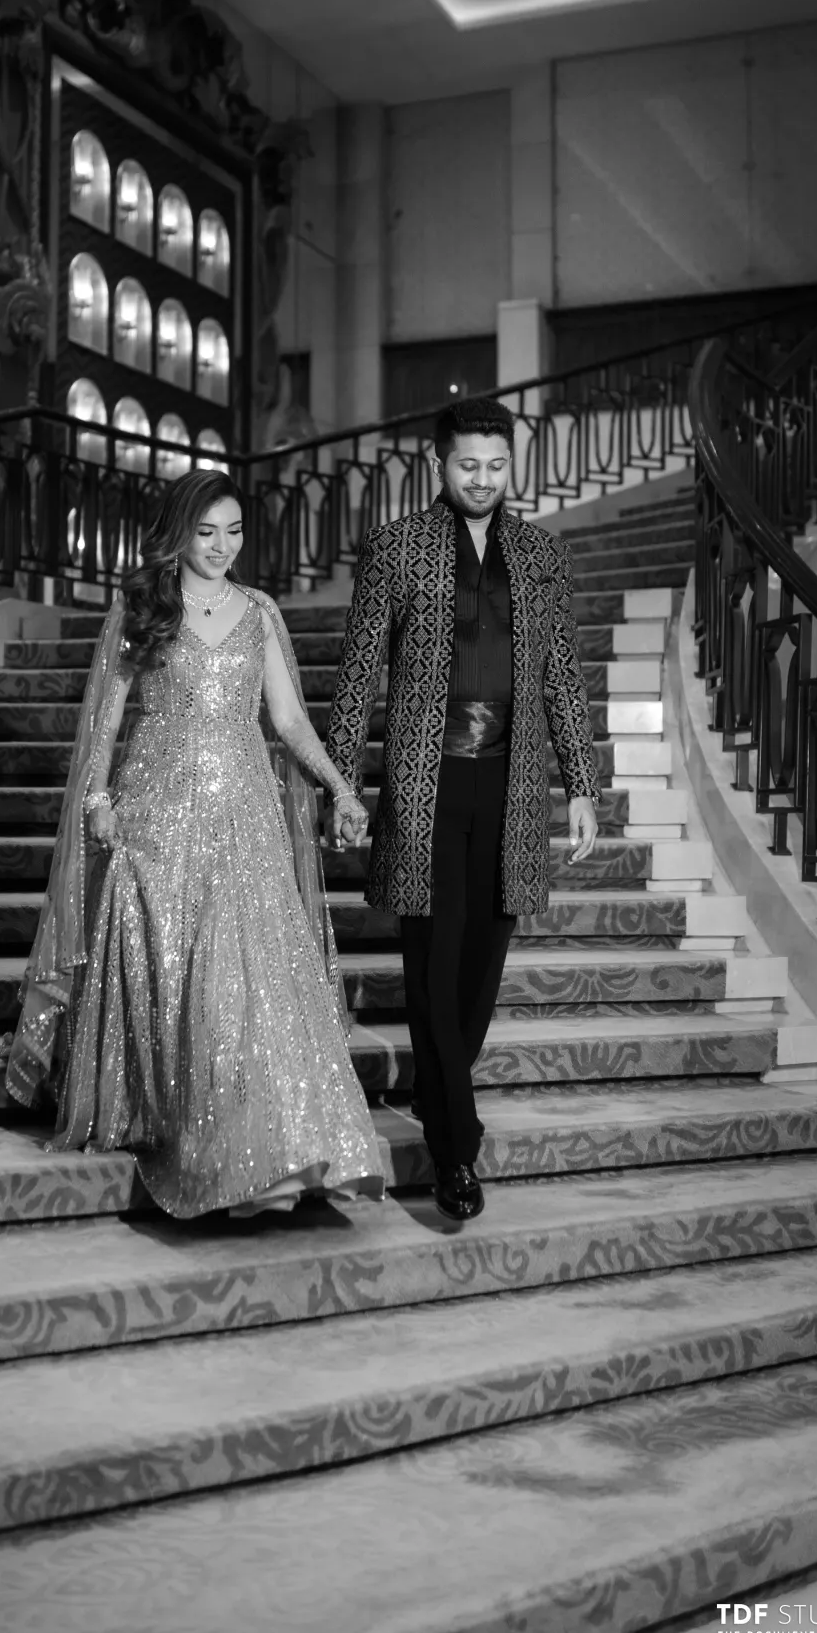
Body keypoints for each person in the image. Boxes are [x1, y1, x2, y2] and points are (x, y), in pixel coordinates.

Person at [0, 468, 384, 1220]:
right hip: (158, 811)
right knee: (181, 978)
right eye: (206, 532)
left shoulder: (260, 612)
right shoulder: (144, 605)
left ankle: (280, 1152)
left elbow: (289, 721)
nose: (221, 546)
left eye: (234, 531)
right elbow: (106, 719)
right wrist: (99, 799)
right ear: (178, 532)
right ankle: (200, 1138)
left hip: (244, 813)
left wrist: (341, 787)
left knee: (251, 983)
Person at [325, 396, 599, 1223]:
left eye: (496, 465)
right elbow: (359, 670)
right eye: (468, 464)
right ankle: (456, 1148)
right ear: (438, 464)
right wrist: (343, 783)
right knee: (433, 960)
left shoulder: (541, 554)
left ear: (512, 466)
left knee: (482, 964)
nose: (483, 479)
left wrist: (582, 784)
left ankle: (440, 1091)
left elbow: (561, 673)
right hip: (426, 783)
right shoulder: (398, 546)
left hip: (512, 786)